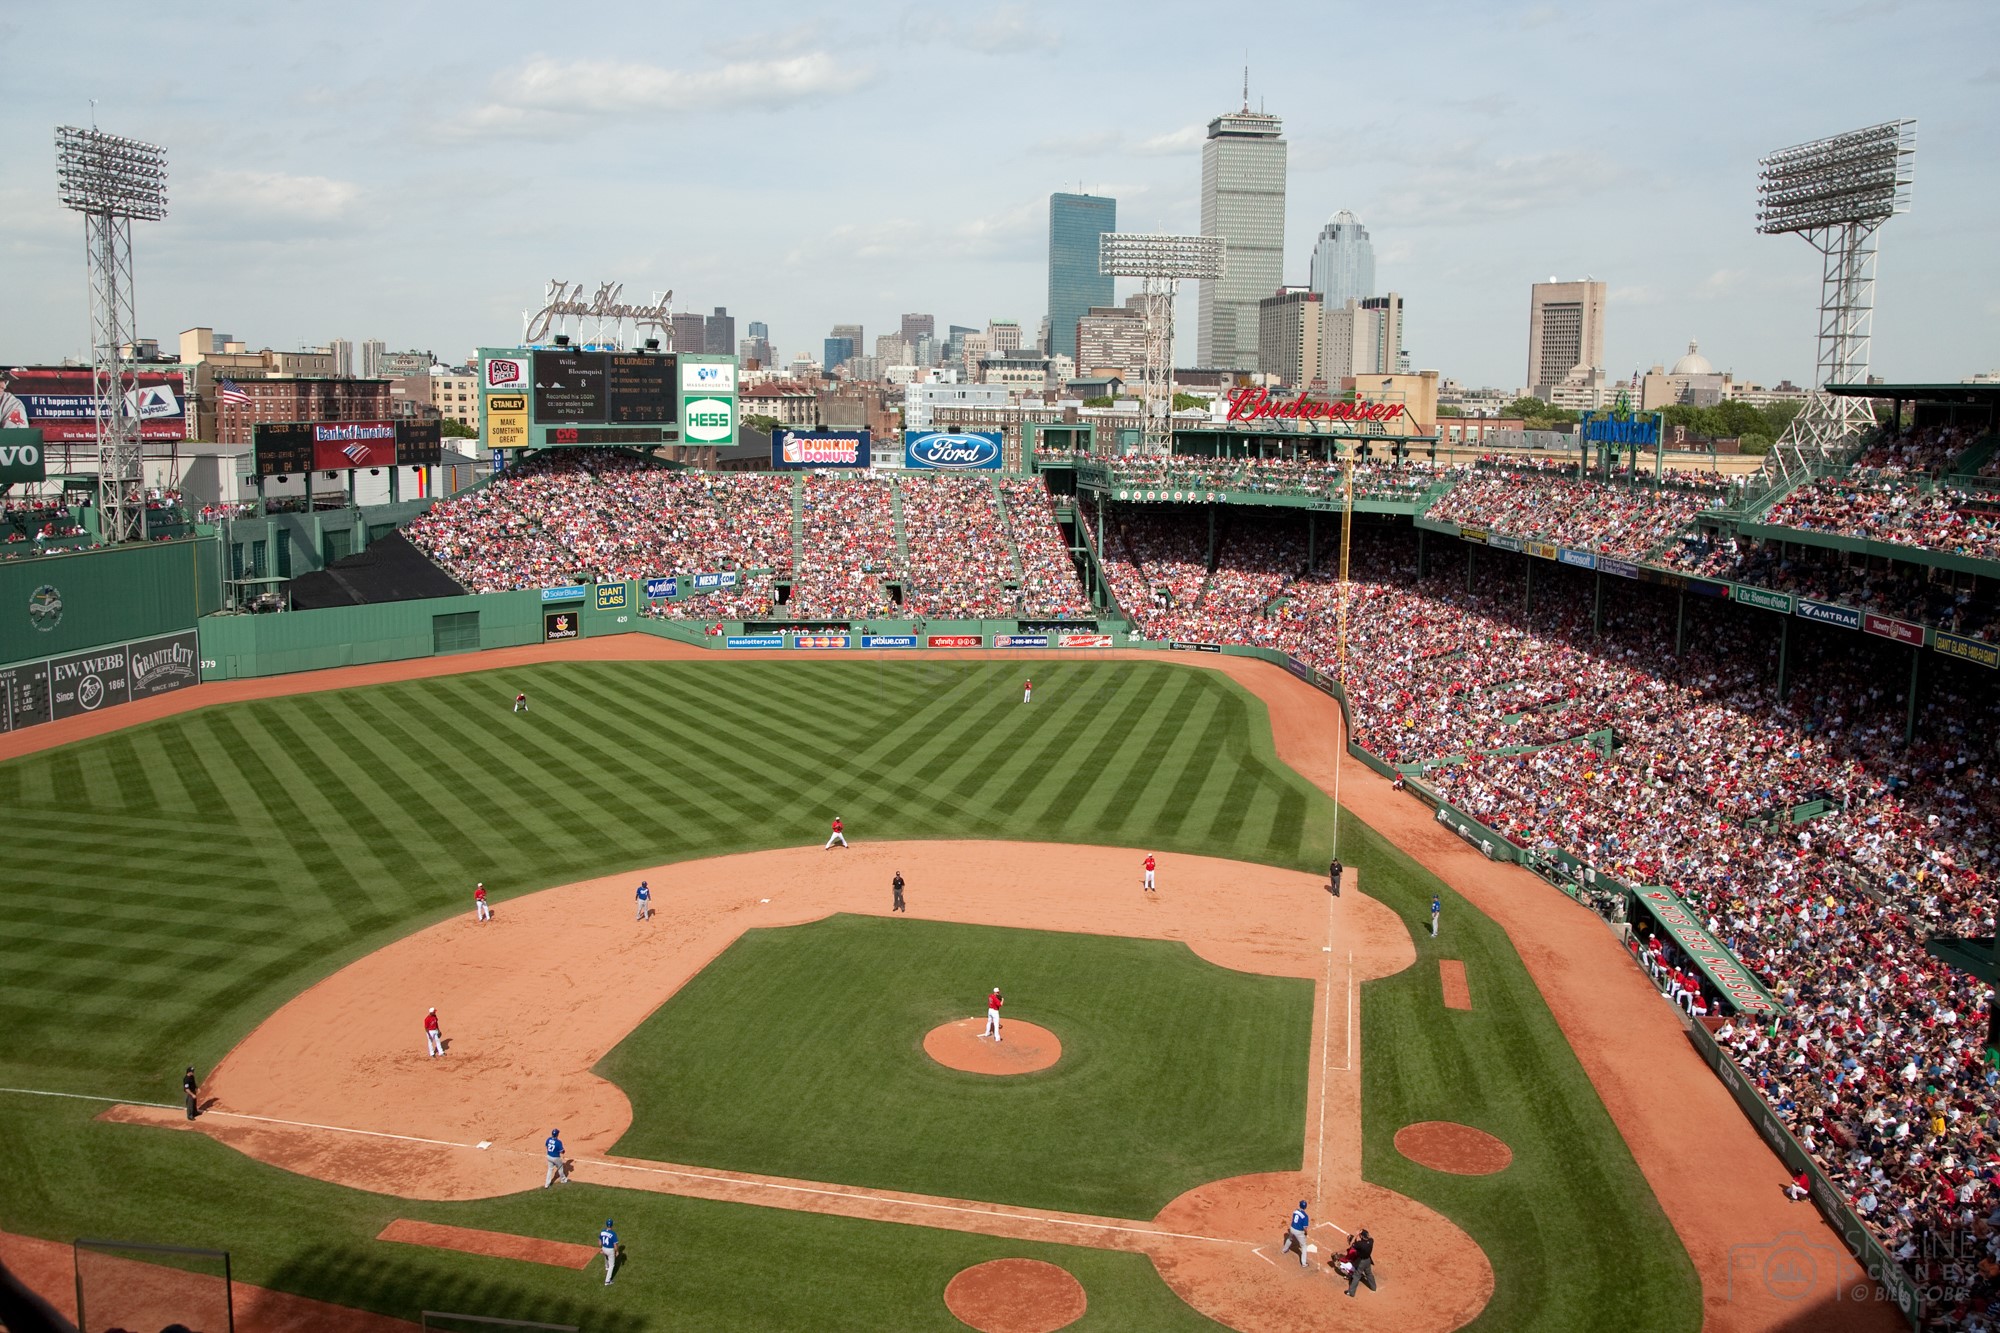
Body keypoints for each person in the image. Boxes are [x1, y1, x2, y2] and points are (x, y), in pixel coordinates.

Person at [1345, 1228, 1376, 1296]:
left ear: (1361, 1236)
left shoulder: (1360, 1244)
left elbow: (1351, 1244)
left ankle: (1351, 1292)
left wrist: (1356, 1235)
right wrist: (1363, 1233)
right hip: (1368, 1260)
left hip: (1362, 1261)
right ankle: (1373, 1287)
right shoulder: (1371, 1241)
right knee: (1369, 1273)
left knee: (1356, 1275)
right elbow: (1369, 1237)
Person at [1283, 1199, 1311, 1268]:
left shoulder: (1295, 1211)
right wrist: (1306, 1233)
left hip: (1292, 1228)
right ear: (1305, 1207)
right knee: (1304, 1246)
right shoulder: (1305, 1216)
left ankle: (1284, 1250)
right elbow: (1305, 1228)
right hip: (1299, 1232)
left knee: (1290, 1238)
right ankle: (1304, 1263)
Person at [599, 1219, 620, 1286]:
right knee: (612, 1265)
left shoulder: (602, 1232)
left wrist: (601, 1249)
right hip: (610, 1250)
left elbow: (599, 1242)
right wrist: (617, 1251)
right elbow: (615, 1245)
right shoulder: (613, 1234)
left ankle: (606, 1267)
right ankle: (607, 1281)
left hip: (604, 1248)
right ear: (612, 1225)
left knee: (606, 1256)